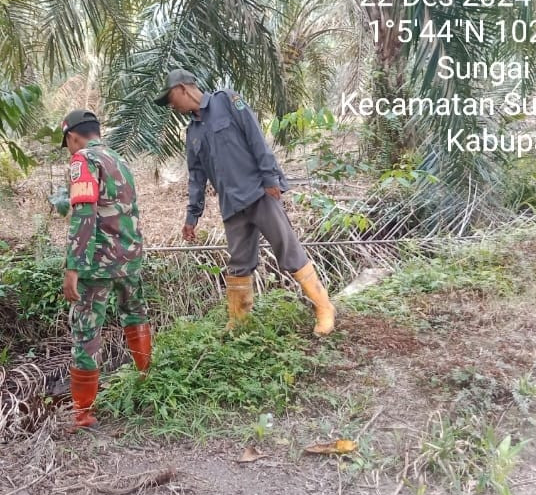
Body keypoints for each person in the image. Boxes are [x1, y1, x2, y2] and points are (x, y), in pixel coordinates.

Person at [153, 69, 335, 336]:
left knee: (288, 250)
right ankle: (239, 323)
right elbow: (196, 177)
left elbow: (255, 136)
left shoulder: (227, 101)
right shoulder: (192, 133)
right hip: (231, 205)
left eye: (170, 98)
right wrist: (192, 216)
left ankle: (323, 307)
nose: (171, 106)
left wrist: (270, 177)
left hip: (259, 192)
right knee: (239, 264)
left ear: (182, 88)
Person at [59, 109, 151, 430]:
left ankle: (82, 414)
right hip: (130, 258)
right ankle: (147, 386)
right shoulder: (119, 160)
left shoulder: (83, 160)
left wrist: (73, 266)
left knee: (86, 331)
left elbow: (84, 214)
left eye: (68, 143)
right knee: (135, 316)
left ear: (72, 136)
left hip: (98, 264)